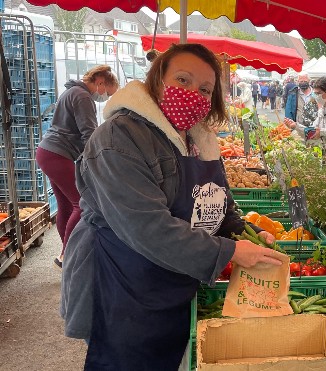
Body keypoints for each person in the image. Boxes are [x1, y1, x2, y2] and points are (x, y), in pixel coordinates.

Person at [60, 44, 283, 369]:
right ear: (156, 80)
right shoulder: (117, 138)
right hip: (123, 283)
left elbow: (217, 201)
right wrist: (230, 252)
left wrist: (244, 230)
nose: (193, 93)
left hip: (174, 278)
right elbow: (146, 227)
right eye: (183, 79)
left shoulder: (197, 138)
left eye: (205, 89)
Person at [36, 65, 118, 268]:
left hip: (48, 152)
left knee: (66, 205)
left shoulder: (71, 91)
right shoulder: (83, 97)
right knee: (82, 204)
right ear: (100, 82)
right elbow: (89, 133)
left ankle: (65, 252)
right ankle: (67, 255)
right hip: (57, 154)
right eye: (107, 93)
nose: (105, 98)